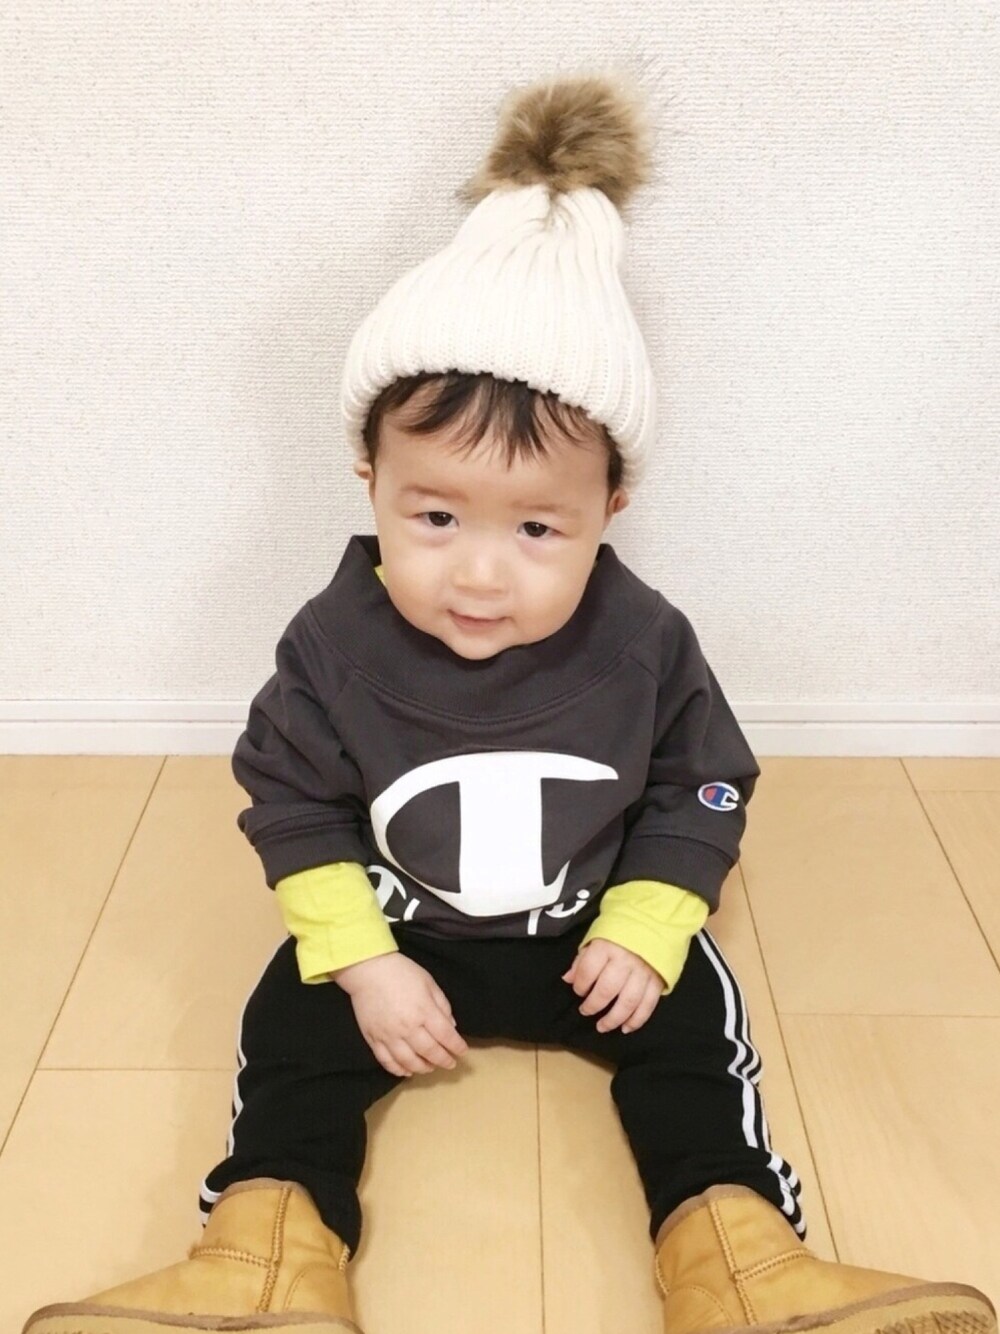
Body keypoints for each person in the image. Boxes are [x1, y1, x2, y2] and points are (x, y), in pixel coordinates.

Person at [24, 69, 995, 1334]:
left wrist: (643, 927)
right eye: (435, 515)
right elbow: (293, 801)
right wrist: (365, 963)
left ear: (609, 508)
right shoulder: (331, 644)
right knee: (289, 1023)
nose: (479, 573)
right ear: (369, 478)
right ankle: (261, 1256)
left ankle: (741, 1260)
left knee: (695, 1030)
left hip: (587, 937)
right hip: (402, 934)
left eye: (537, 527)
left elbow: (702, 782)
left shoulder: (644, 641)